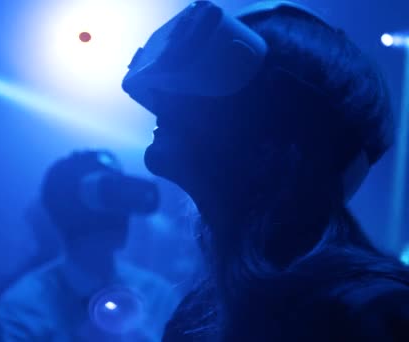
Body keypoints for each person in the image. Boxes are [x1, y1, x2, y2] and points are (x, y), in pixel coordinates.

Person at [122, 1, 409, 341]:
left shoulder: (376, 313)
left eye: (213, 68)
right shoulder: (199, 315)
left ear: (279, 123)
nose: (163, 93)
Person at [0, 150, 180, 341]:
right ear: (67, 211)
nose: (122, 215)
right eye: (109, 199)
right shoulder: (25, 306)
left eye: (122, 201)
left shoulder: (158, 296)